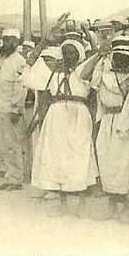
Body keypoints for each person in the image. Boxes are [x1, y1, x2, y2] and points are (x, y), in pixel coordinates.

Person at [30, 39, 99, 217]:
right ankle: (60, 201)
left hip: (78, 116)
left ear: (79, 54)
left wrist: (96, 49)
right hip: (57, 115)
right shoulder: (53, 74)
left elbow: (92, 64)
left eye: (73, 52)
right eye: (66, 52)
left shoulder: (85, 72)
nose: (69, 56)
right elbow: (32, 74)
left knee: (78, 156)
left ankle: (79, 203)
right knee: (58, 157)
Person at [87, 36, 129, 221]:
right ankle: (112, 205)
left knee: (126, 164)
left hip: (126, 123)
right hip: (107, 121)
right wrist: (100, 56)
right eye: (116, 56)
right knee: (107, 162)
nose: (120, 59)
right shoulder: (105, 73)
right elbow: (89, 79)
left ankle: (125, 207)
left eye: (124, 56)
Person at [0, 28, 27, 191]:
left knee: (13, 145)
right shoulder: (1, 60)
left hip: (10, 109)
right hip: (0, 107)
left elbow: (21, 87)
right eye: (5, 40)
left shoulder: (18, 61)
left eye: (10, 40)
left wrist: (16, 108)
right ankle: (9, 176)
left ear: (16, 42)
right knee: (4, 145)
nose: (7, 43)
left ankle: (16, 179)